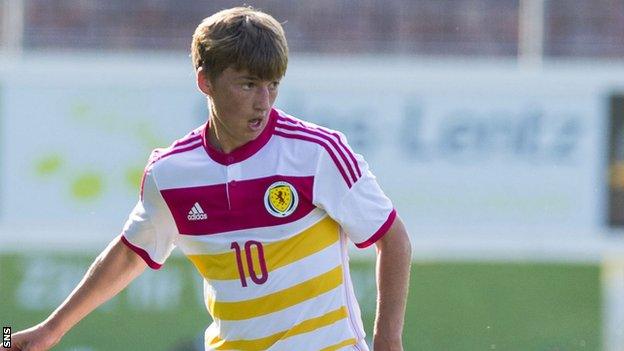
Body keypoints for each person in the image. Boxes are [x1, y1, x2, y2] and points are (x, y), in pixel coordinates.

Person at [4, 6, 412, 351]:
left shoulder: (317, 152)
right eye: (248, 84)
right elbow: (131, 254)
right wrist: (50, 330)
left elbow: (392, 239)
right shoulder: (171, 173)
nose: (264, 102)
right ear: (205, 81)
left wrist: (387, 342)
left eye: (272, 85)